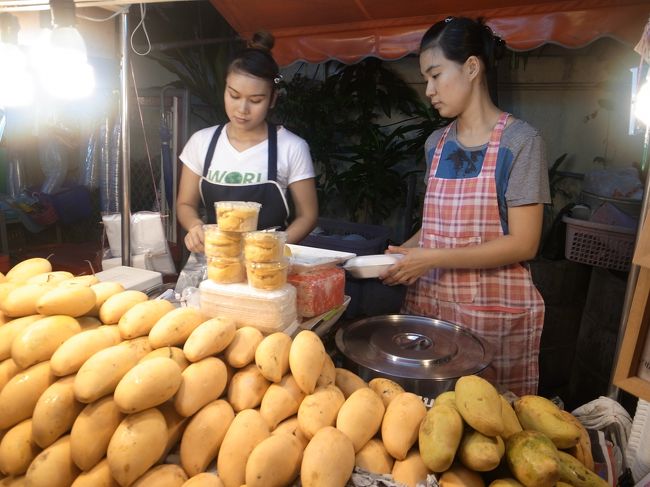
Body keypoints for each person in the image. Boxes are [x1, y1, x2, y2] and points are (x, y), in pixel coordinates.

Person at [380, 17, 551, 396]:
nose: (429, 90)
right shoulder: (436, 144)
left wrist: (431, 258)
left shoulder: (520, 142)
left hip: (492, 316)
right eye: (426, 79)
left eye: (436, 75)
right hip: (432, 309)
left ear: (472, 67)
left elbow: (524, 243)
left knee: (489, 421)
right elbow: (438, 225)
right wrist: (404, 254)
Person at [177, 31, 318, 253]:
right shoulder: (201, 142)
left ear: (272, 99)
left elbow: (308, 215)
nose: (242, 109)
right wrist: (195, 226)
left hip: (267, 264)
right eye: (234, 95)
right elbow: (185, 204)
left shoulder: (292, 147)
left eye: (255, 100)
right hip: (216, 259)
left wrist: (274, 247)